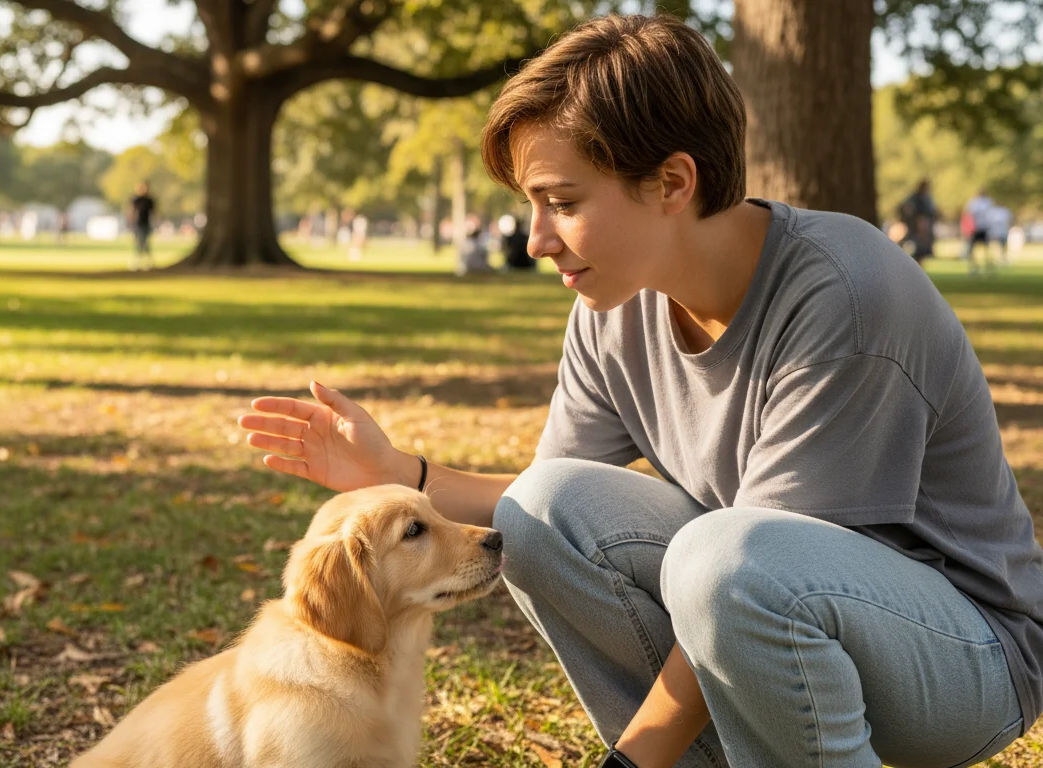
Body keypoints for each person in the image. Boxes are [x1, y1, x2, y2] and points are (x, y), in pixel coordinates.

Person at [240, 14, 1042, 768]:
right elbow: (544, 510)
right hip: (772, 601)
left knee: (723, 558)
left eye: (563, 202)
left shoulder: (847, 294)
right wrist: (400, 472)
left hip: (966, 658)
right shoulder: (613, 301)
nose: (535, 238)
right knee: (544, 511)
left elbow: (750, 568)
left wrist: (632, 758)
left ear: (672, 182)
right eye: (531, 204)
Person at [897, 179, 938, 263]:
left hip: (923, 228)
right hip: (916, 227)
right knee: (914, 246)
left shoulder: (926, 198)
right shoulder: (916, 198)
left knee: (921, 250)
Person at [964, 189, 993, 273]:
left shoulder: (987, 202)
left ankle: (987, 267)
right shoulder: (974, 202)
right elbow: (969, 215)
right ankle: (975, 267)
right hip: (976, 228)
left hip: (984, 228)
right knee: (973, 249)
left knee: (985, 249)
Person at [130, 182, 156, 270]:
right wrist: (131, 221)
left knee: (146, 243)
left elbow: (154, 212)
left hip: (146, 224)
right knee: (138, 243)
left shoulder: (149, 200)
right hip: (138, 224)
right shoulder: (136, 200)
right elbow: (132, 211)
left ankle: (148, 262)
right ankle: (137, 262)